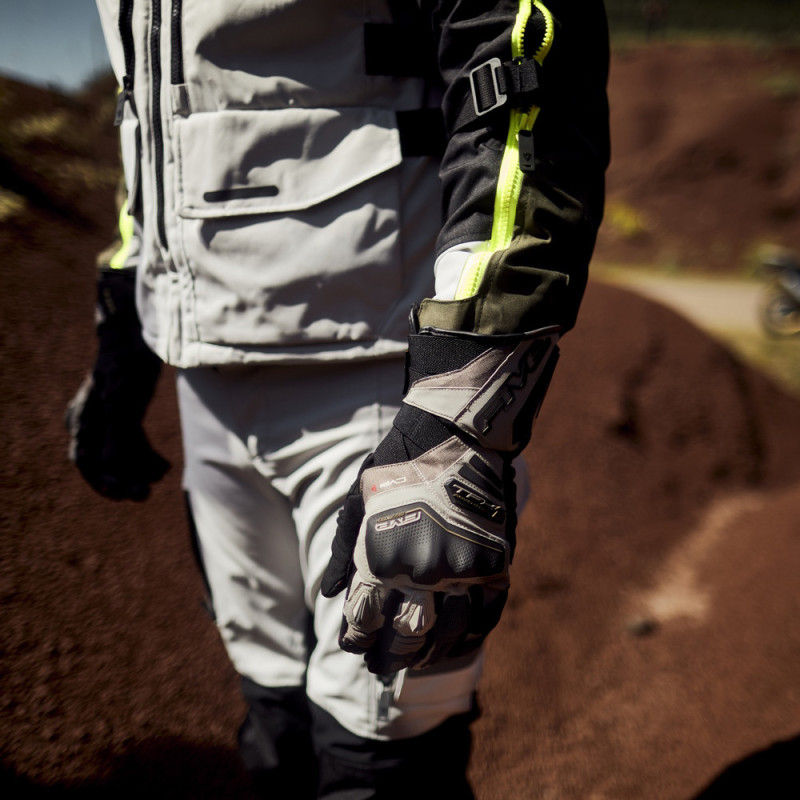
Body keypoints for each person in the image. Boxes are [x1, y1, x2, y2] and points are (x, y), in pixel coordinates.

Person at [67, 1, 609, 797]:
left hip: (384, 382)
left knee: (381, 759)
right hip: (206, 385)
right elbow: (149, 123)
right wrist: (123, 338)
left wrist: (460, 413)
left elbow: (521, 51)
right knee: (274, 726)